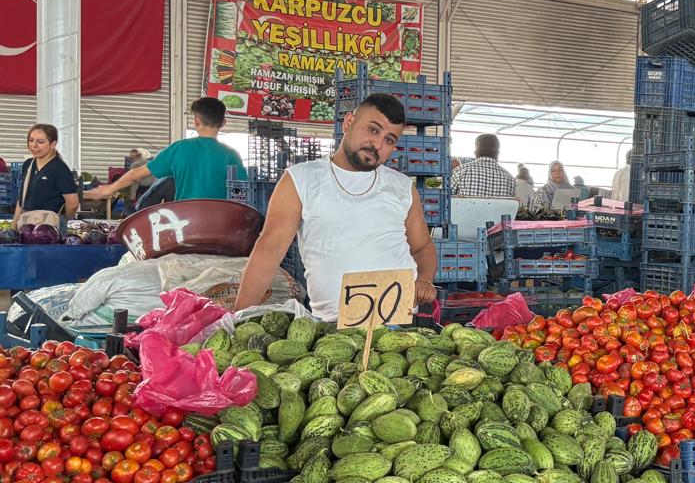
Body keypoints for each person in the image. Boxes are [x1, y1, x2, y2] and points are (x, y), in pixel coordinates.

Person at [234, 94, 437, 321]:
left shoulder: (401, 187)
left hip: (401, 324)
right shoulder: (301, 180)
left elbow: (422, 247)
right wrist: (239, 317)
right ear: (348, 122)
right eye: (373, 130)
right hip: (332, 327)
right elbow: (269, 250)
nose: (377, 144)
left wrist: (425, 279)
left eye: (389, 140)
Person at [86, 98, 244, 205]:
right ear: (223, 123)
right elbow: (242, 191)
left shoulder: (178, 149)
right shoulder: (232, 155)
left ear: (196, 121)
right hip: (222, 224)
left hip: (186, 221)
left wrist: (110, 188)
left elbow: (136, 174)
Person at [15, 123, 80, 225]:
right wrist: (14, 223)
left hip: (50, 228)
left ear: (52, 144)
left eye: (40, 142)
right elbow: (22, 199)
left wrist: (62, 220)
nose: (34, 145)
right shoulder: (28, 165)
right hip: (27, 224)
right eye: (31, 140)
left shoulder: (59, 169)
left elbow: (73, 203)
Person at [450, 134, 518, 199]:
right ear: (497, 154)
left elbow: (445, 196)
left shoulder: (461, 171)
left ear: (476, 152)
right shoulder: (510, 179)